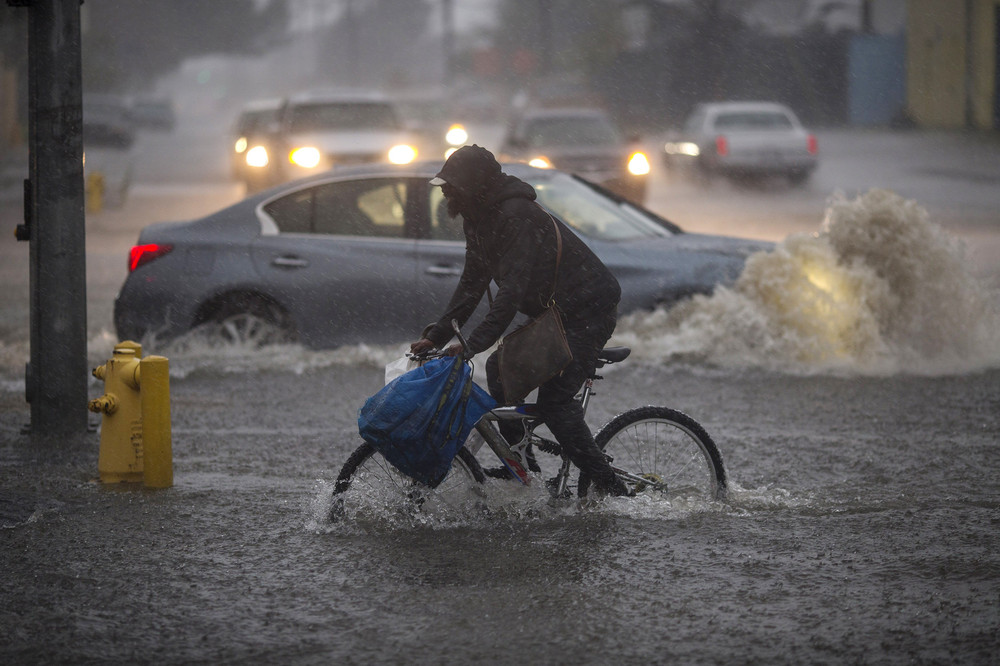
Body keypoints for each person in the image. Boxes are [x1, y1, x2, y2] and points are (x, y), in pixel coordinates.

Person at [410, 145, 630, 496]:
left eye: (453, 186)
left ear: (478, 186)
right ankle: (525, 468)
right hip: (553, 313)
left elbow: (511, 293)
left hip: (588, 310)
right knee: (499, 371)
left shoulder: (515, 216)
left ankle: (612, 488)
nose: (447, 193)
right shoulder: (477, 216)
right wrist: (436, 337)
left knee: (556, 403)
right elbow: (472, 284)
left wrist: (469, 346)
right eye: (444, 186)